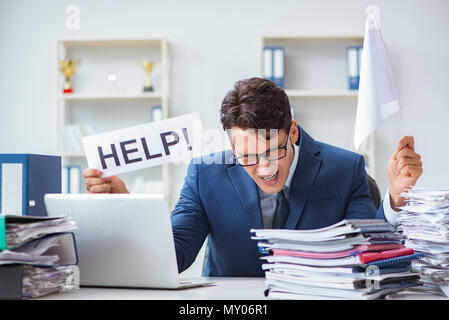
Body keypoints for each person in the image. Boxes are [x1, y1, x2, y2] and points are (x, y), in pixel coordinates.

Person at [82, 77, 423, 277]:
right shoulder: (204, 175)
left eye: (273, 150)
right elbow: (172, 257)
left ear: (292, 132)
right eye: (246, 155)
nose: (265, 169)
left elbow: (369, 254)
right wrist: (130, 208)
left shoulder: (344, 168)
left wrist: (394, 198)